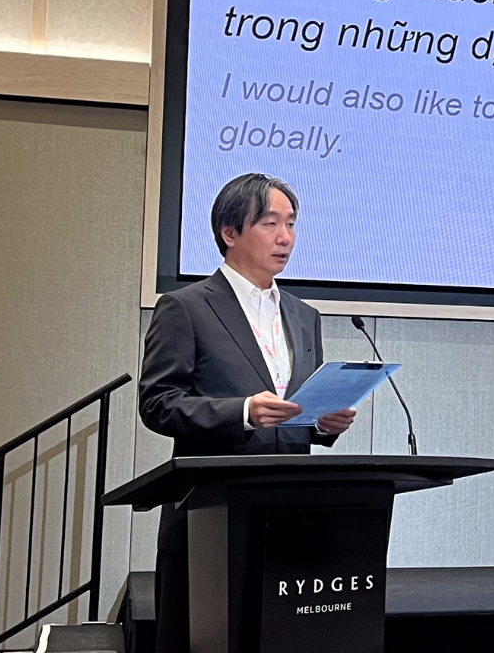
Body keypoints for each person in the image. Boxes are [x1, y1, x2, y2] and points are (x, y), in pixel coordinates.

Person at [138, 173, 355, 653]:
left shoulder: (304, 315)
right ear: (230, 232)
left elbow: (295, 410)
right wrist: (242, 411)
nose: (285, 237)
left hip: (291, 520)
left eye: (292, 224)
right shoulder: (185, 308)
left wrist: (322, 423)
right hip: (211, 519)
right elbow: (157, 404)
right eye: (270, 223)